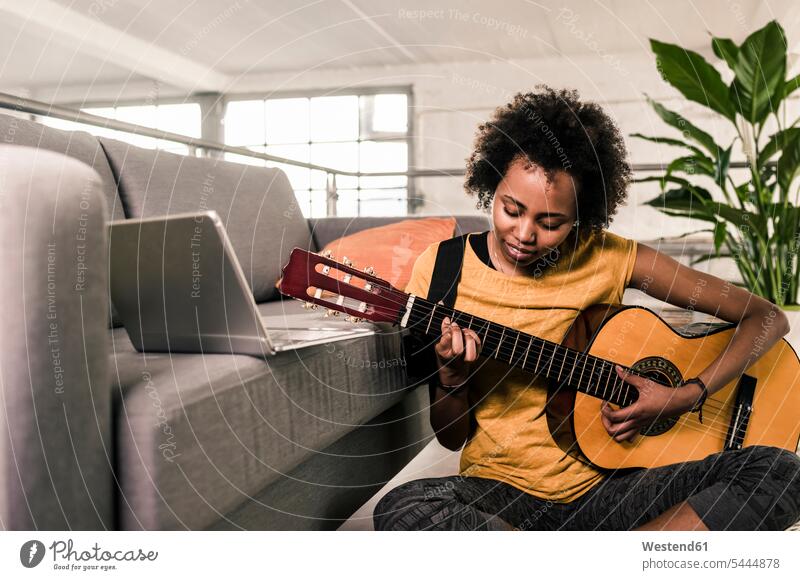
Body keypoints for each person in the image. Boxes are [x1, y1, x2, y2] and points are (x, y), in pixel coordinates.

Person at [373, 86, 800, 531]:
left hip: (616, 488)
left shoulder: (611, 257)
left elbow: (767, 316)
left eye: (551, 223)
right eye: (511, 209)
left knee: (782, 472)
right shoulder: (442, 269)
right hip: (502, 491)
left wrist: (685, 395)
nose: (524, 233)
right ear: (490, 185)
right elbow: (451, 435)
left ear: (581, 215)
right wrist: (452, 382)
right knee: (405, 508)